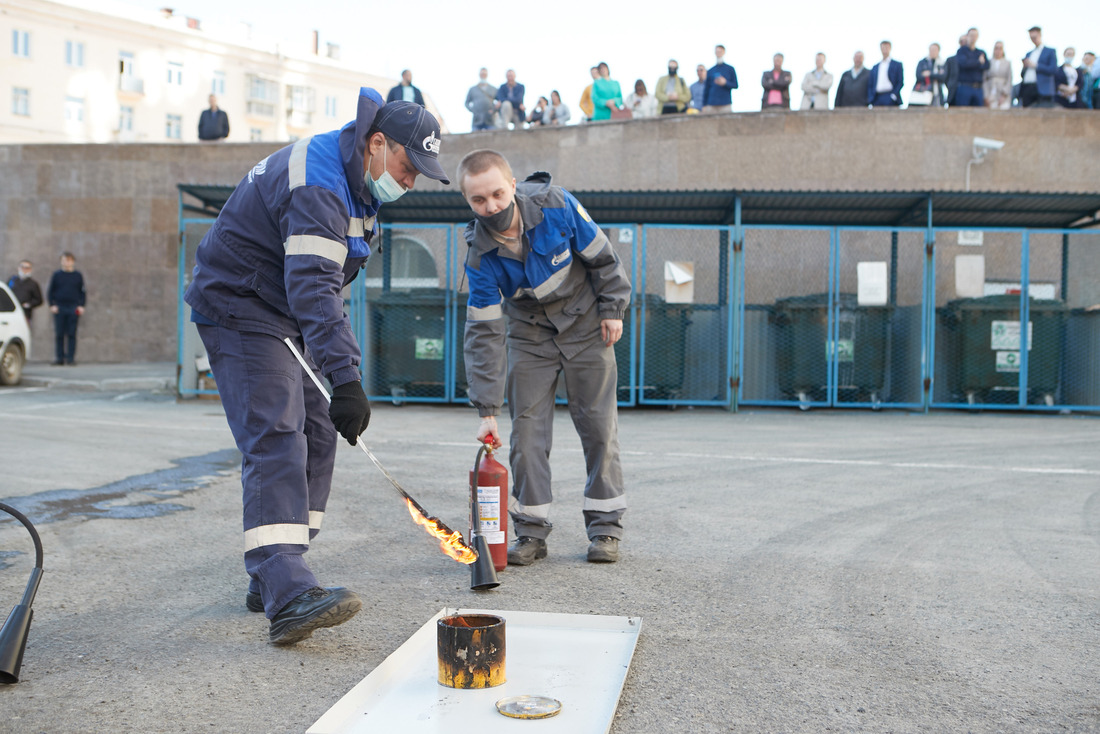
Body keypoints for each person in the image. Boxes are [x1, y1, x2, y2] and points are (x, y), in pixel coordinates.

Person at [183, 90, 450, 645]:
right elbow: (314, 289)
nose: (410, 181)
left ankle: (274, 568)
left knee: (319, 432)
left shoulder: (358, 183)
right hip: (241, 305)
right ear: (378, 144)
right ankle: (288, 594)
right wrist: (346, 377)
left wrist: (338, 378)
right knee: (276, 433)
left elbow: (325, 285)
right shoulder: (320, 184)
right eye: (406, 167)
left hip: (281, 307)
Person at [456, 149, 630, 566]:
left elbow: (603, 258)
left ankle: (605, 528)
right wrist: (486, 409)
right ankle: (531, 532)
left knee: (598, 427)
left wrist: (613, 309)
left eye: (497, 194)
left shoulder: (557, 205)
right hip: (530, 335)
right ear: (468, 201)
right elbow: (483, 332)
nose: (491, 207)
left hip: (587, 324)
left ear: (512, 186)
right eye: (479, 200)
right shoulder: (479, 255)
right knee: (527, 435)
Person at [47, 252, 85, 366]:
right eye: (64, 260)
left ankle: (71, 358)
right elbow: (50, 291)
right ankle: (59, 358)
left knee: (72, 334)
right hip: (60, 307)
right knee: (59, 334)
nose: (66, 263)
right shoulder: (57, 275)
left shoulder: (78, 275)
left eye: (68, 260)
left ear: (72, 262)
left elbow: (82, 292)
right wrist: (52, 305)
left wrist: (81, 305)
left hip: (73, 307)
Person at [1020, 26, 1058, 108]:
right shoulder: (1029, 53)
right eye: (1031, 38)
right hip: (1027, 88)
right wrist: (1025, 66)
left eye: (1034, 37)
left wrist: (1036, 66)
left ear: (1040, 35)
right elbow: (1023, 74)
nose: (1033, 39)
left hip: (1042, 89)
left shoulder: (1050, 51)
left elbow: (1053, 69)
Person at [954, 28, 990, 107]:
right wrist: (978, 62)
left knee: (978, 115)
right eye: (971, 35)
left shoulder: (981, 52)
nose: (973, 37)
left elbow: (986, 65)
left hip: (978, 88)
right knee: (962, 114)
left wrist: (972, 62)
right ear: (967, 36)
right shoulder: (961, 51)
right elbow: (964, 64)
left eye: (975, 35)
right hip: (964, 87)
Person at [868, 40, 903, 107]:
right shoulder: (875, 67)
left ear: (890, 48)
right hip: (877, 98)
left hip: (890, 96)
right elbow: (871, 84)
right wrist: (871, 98)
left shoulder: (897, 65)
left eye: (886, 47)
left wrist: (893, 95)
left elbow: (900, 82)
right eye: (883, 48)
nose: (884, 50)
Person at [703, 45, 738, 113]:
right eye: (717, 51)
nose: (718, 53)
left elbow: (735, 85)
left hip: (725, 104)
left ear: (724, 52)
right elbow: (706, 89)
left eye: (720, 51)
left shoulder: (730, 69)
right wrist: (704, 105)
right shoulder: (710, 70)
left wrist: (725, 83)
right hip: (711, 104)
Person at [984, 41, 1013, 109]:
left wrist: (1004, 95)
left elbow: (1009, 80)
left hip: (1003, 95)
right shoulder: (989, 62)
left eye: (1000, 48)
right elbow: (984, 80)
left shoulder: (1007, 63)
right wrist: (986, 96)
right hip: (991, 94)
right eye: (996, 48)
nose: (998, 50)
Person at [944, 35, 966, 106]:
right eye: (962, 41)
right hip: (953, 93)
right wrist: (950, 86)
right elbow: (946, 77)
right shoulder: (951, 60)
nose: (963, 43)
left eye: (965, 41)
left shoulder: (974, 60)